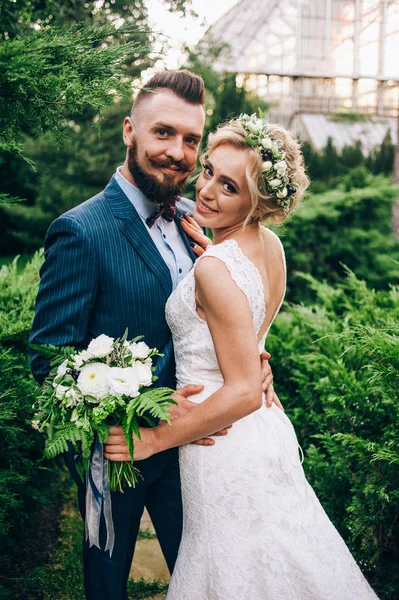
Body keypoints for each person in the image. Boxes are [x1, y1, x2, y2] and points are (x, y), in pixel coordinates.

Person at [105, 115, 379, 599]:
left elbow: (244, 390)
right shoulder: (268, 248)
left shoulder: (214, 267)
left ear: (257, 202)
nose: (206, 190)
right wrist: (215, 252)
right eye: (209, 170)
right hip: (265, 438)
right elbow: (245, 328)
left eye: (228, 186)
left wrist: (154, 439)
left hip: (221, 441)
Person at [29, 70, 277, 600]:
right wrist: (132, 417)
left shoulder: (201, 220)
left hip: (203, 453)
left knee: (208, 580)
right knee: (107, 588)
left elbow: (224, 315)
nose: (179, 153)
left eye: (191, 140)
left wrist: (255, 355)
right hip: (120, 454)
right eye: (163, 133)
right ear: (129, 131)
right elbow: (49, 360)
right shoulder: (81, 230)